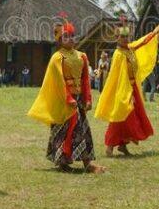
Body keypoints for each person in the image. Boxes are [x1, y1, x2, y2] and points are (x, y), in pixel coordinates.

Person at [28, 14, 104, 174]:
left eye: (72, 35)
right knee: (64, 131)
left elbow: (85, 80)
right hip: (65, 102)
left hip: (79, 101)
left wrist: (88, 99)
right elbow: (58, 81)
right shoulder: (57, 57)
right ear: (59, 40)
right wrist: (68, 98)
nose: (70, 39)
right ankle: (63, 162)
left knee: (83, 130)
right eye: (66, 36)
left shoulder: (81, 56)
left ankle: (87, 163)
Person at [95, 18, 159, 157]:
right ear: (117, 38)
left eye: (127, 36)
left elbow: (142, 42)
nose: (125, 39)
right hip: (123, 90)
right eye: (122, 36)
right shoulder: (118, 54)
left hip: (132, 89)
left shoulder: (130, 49)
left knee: (131, 118)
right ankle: (110, 146)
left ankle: (122, 145)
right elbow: (117, 78)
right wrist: (125, 93)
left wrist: (153, 34)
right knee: (120, 116)